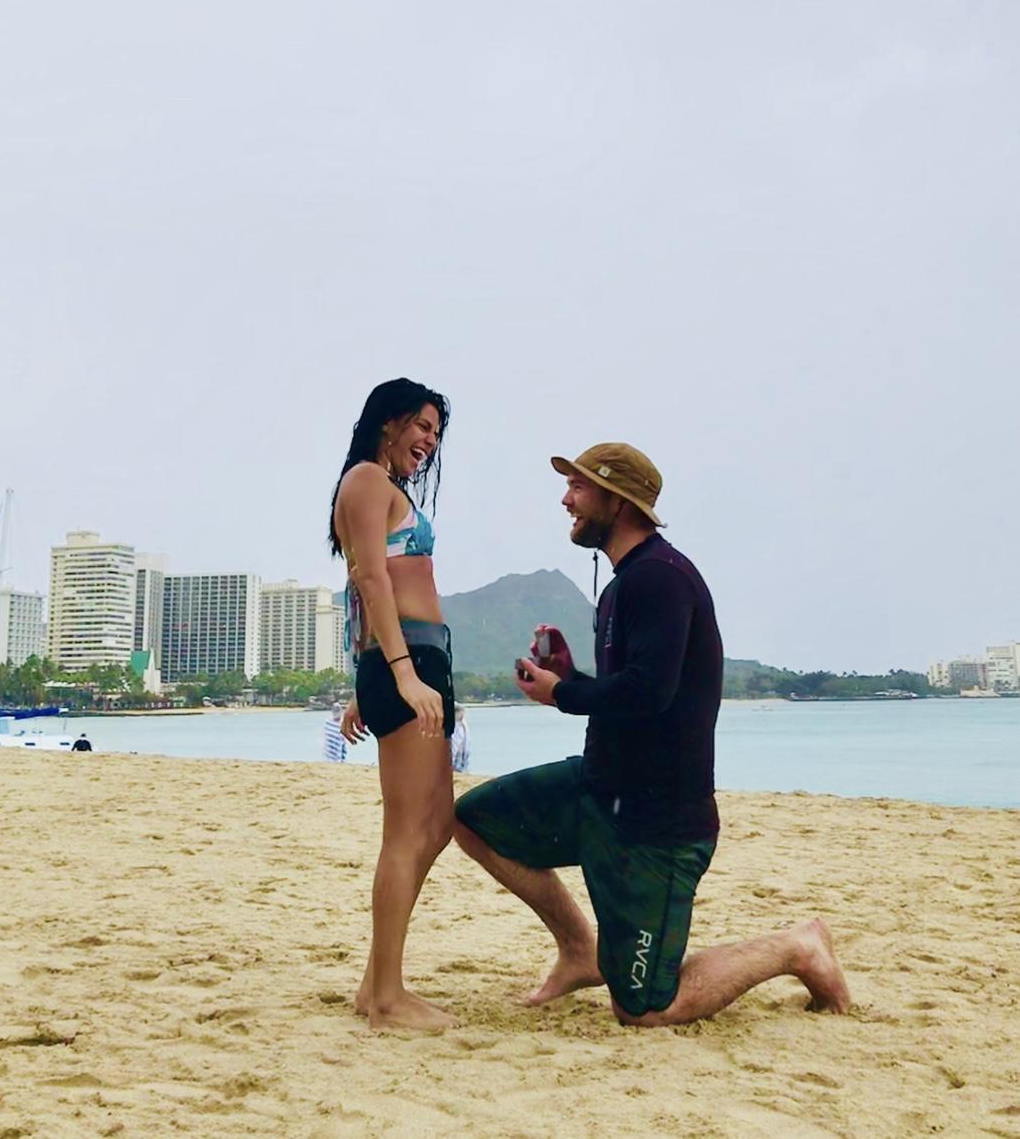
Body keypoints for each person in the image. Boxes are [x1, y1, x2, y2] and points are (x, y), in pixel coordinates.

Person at [454, 442, 850, 1027]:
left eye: (579, 488)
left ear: (618, 502)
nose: (566, 500)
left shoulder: (661, 579)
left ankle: (799, 946)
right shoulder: (622, 586)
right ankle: (579, 950)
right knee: (473, 820)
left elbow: (648, 693)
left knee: (645, 1010)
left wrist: (562, 694)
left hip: (657, 823)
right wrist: (571, 678)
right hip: (600, 790)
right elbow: (633, 692)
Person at [330, 377, 456, 1032]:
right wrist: (398, 674)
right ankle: (387, 997)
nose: (429, 440)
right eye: (422, 425)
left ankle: (375, 981)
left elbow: (363, 589)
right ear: (389, 421)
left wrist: (369, 680)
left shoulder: (380, 486)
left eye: (435, 431)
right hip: (407, 662)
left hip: (415, 659)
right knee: (409, 831)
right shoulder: (365, 480)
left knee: (436, 824)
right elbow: (370, 579)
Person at [449, 703, 471, 773]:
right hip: (456, 760)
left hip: (462, 759)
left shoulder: (462, 724)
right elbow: (454, 744)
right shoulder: (456, 726)